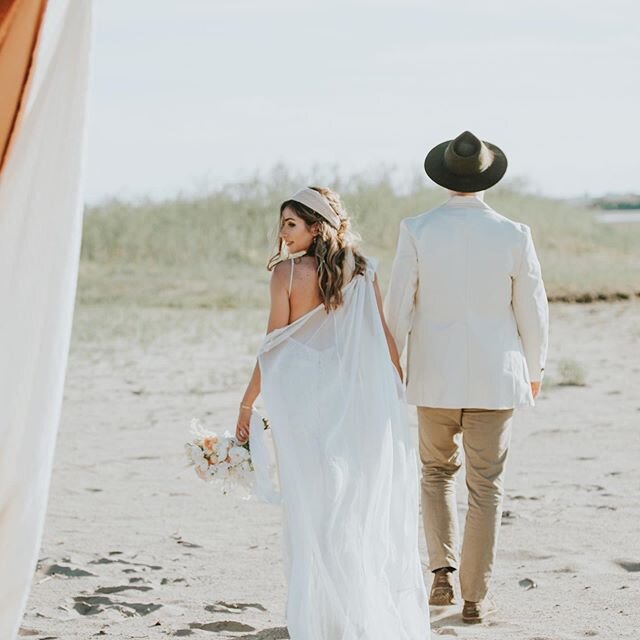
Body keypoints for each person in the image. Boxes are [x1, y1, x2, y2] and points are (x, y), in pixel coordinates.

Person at [235, 186, 431, 639]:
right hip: (352, 401)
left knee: (315, 507)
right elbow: (381, 335)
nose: (282, 235)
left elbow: (273, 346)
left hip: (304, 403)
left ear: (315, 227)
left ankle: (323, 616)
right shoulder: (361, 270)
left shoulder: (286, 276)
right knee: (353, 503)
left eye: (290, 224)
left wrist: (247, 402)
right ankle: (349, 613)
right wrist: (393, 386)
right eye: (282, 224)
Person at [384, 131, 549, 624]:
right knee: (487, 487)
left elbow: (399, 305)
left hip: (433, 378)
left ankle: (441, 573)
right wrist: (534, 370)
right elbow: (532, 311)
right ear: (486, 177)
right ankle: (474, 597)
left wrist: (393, 362)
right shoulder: (514, 233)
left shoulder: (417, 228)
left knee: (435, 475)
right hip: (495, 380)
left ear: (444, 175)